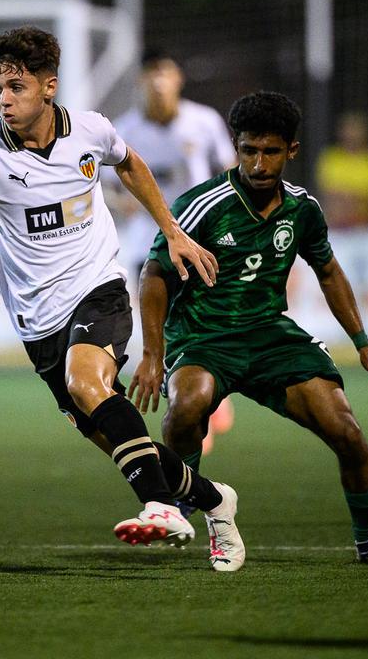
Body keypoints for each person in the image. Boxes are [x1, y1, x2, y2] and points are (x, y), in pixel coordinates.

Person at [0, 26, 242, 564]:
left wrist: (175, 231)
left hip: (100, 286)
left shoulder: (89, 130)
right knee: (113, 435)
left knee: (85, 381)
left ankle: (161, 506)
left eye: (16, 87)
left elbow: (130, 163)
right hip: (38, 323)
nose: (4, 98)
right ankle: (216, 500)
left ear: (49, 87)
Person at [130, 90, 368, 569]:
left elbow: (328, 271)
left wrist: (363, 344)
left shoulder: (303, 210)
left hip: (269, 336)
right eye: (248, 151)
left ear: (292, 151)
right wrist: (153, 355)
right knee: (186, 405)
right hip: (203, 337)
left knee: (346, 431)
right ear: (236, 148)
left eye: (271, 152)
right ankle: (182, 504)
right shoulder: (203, 205)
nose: (258, 163)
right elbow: (154, 276)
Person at [112, 48, 238, 456]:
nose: (158, 81)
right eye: (150, 74)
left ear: (178, 78)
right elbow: (104, 186)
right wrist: (120, 203)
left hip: (200, 240)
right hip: (145, 244)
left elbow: (228, 172)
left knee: (200, 323)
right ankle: (192, 404)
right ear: (140, 82)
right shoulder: (124, 129)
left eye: (164, 72)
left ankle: (204, 396)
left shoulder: (204, 122)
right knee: (162, 328)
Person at [314, 110, 368, 228]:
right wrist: (353, 199)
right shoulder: (331, 157)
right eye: (349, 131)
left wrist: (347, 199)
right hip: (335, 224)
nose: (352, 135)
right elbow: (328, 193)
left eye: (356, 131)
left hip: (366, 226)